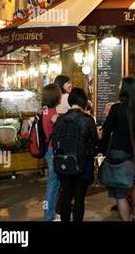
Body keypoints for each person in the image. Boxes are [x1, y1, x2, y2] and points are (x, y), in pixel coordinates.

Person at [101, 77, 135, 221]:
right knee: (134, 182)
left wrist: (102, 149)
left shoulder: (117, 108)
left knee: (121, 193)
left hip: (118, 153)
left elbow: (106, 129)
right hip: (134, 154)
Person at [52, 88, 98, 222]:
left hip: (64, 162)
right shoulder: (88, 119)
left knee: (66, 196)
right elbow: (94, 140)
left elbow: (54, 141)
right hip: (84, 163)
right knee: (79, 198)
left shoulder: (60, 119)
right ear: (83, 101)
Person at [42, 84, 62, 221]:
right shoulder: (52, 114)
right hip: (52, 150)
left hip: (47, 150)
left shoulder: (44, 111)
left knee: (52, 184)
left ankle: (51, 213)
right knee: (53, 185)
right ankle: (49, 216)